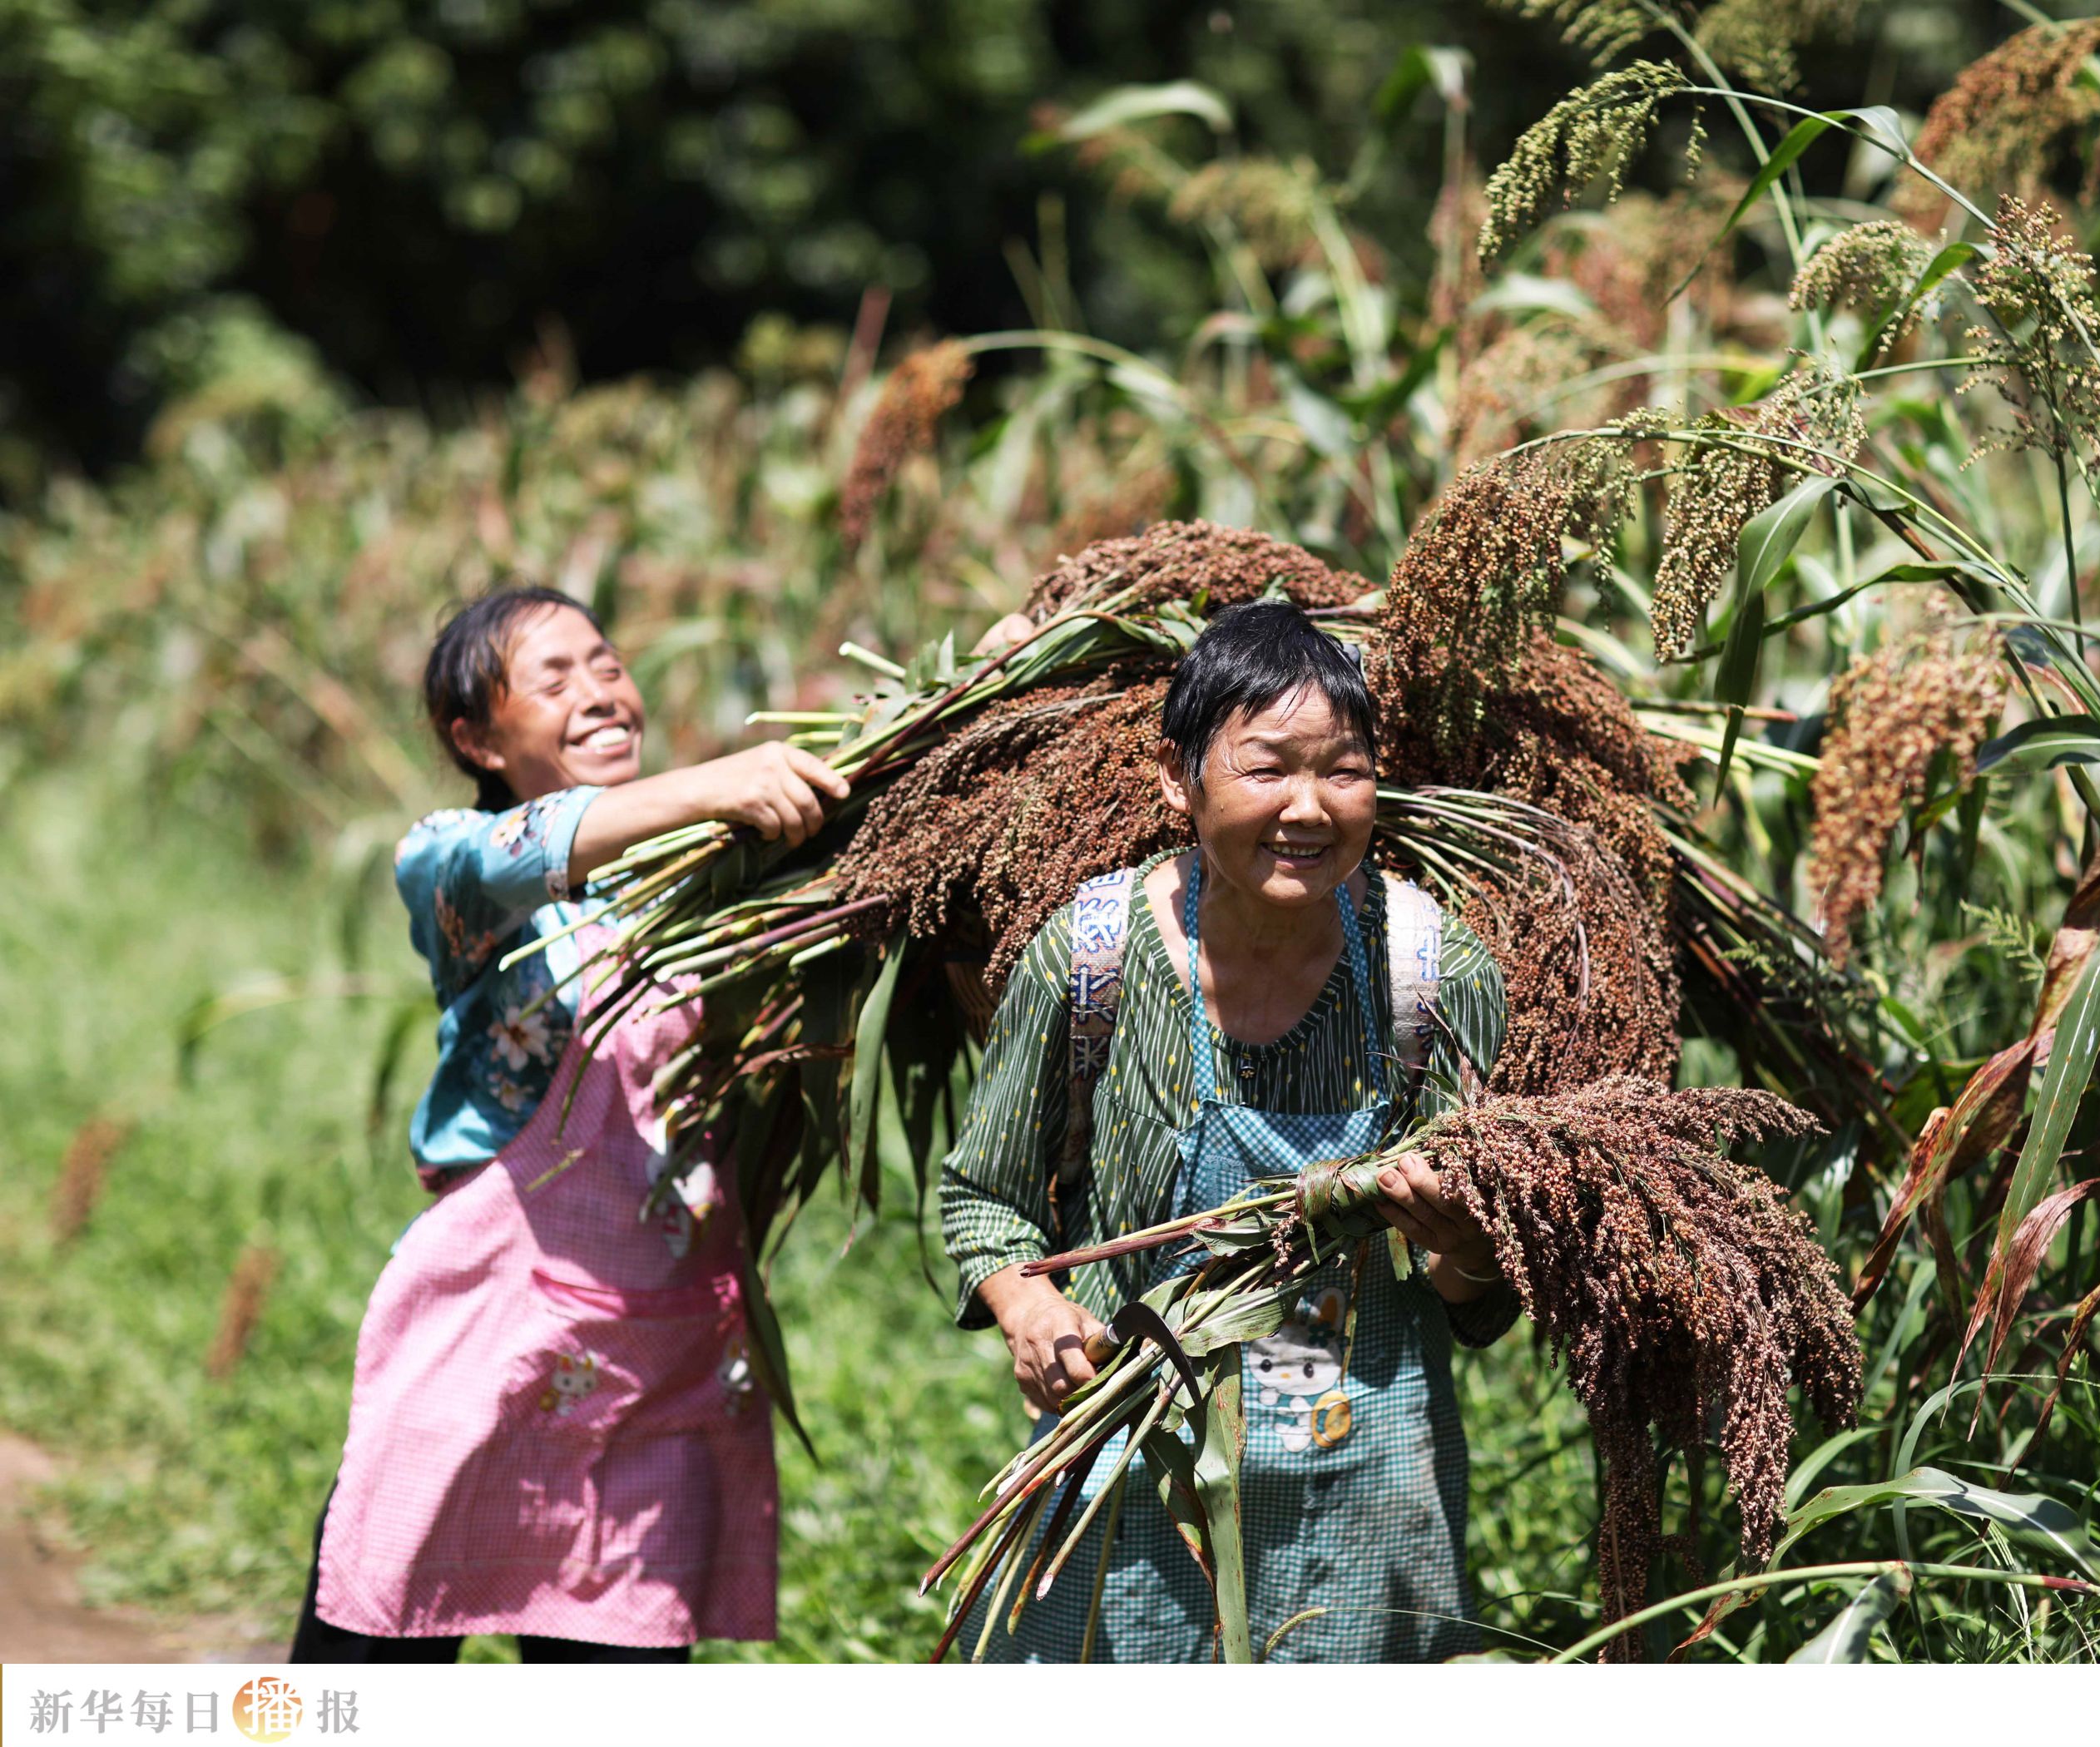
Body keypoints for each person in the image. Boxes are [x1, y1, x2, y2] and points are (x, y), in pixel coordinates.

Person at [941, 599, 1518, 1662]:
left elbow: (1474, 1288)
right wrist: (1028, 1306)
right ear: (1179, 776)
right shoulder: (1092, 959)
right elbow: (985, 1198)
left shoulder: (1434, 975)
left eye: (1344, 771)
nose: (1309, 806)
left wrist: (1471, 1245)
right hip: (1129, 1488)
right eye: (1267, 768)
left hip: (1359, 1498)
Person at [290, 584, 848, 1662]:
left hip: (652, 1360)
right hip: (488, 1342)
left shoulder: (711, 879)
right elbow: (519, 853)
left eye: (608, 665)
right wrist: (715, 783)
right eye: (554, 679)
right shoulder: (455, 860)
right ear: (477, 738)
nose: (599, 692)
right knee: (368, 1671)